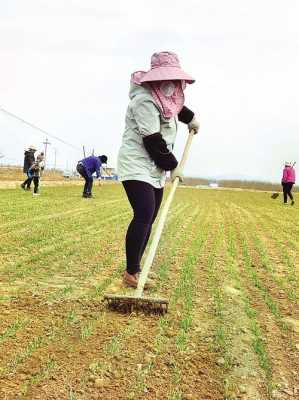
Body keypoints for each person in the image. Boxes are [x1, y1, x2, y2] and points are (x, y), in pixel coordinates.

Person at [117, 51, 200, 288]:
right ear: (155, 79)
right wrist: (174, 166)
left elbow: (176, 109)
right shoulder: (144, 100)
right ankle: (132, 272)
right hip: (137, 164)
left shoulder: (166, 97)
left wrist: (192, 119)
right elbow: (152, 140)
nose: (173, 86)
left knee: (150, 217)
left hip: (154, 167)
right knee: (143, 213)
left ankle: (135, 270)